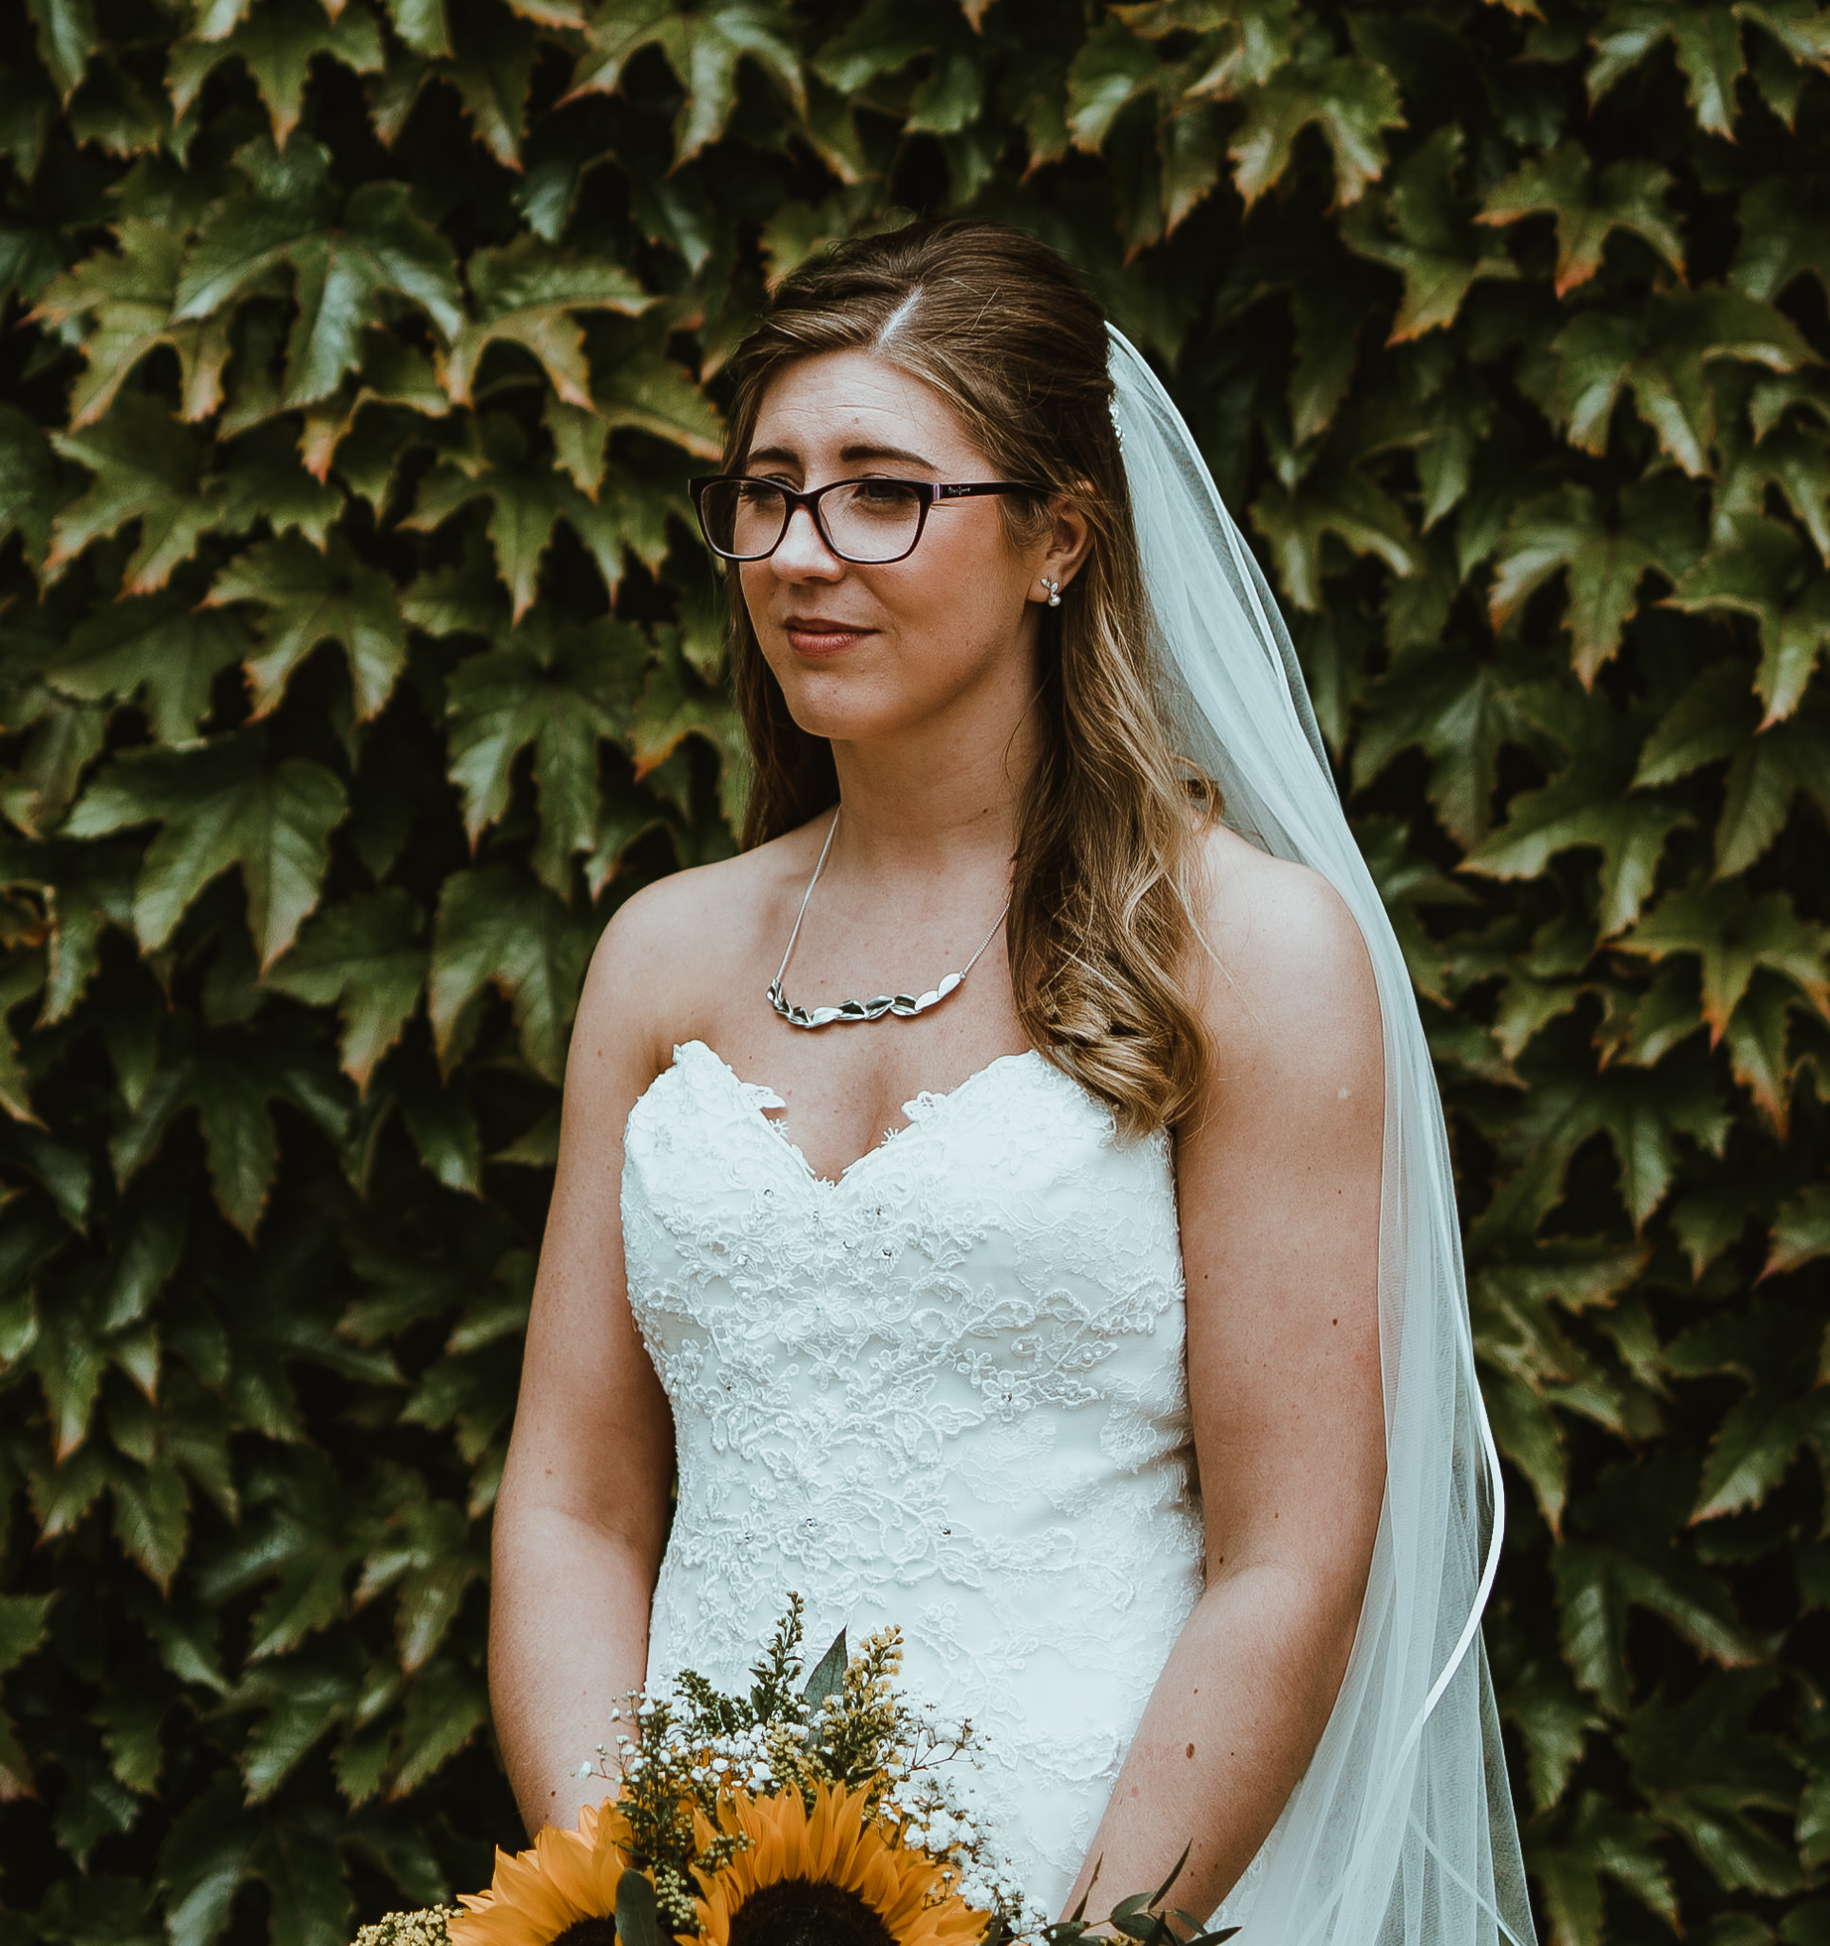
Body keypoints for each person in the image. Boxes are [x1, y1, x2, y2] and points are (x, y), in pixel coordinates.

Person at [488, 219, 1535, 1945]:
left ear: (1057, 536)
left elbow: (1290, 1557)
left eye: (882, 490)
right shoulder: (659, 959)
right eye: (766, 490)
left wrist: (1096, 1933)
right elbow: (574, 1505)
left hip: (1106, 1874)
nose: (801, 553)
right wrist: (628, 1890)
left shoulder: (1250, 954)